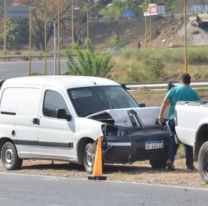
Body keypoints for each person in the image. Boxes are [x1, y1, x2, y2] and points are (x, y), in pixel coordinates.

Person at [158, 73, 200, 171]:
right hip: (187, 121)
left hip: (174, 120)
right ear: (189, 82)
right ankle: (189, 165)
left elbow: (165, 103)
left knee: (173, 141)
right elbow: (198, 107)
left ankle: (170, 161)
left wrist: (160, 116)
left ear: (180, 81)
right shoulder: (194, 93)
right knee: (188, 143)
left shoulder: (173, 90)